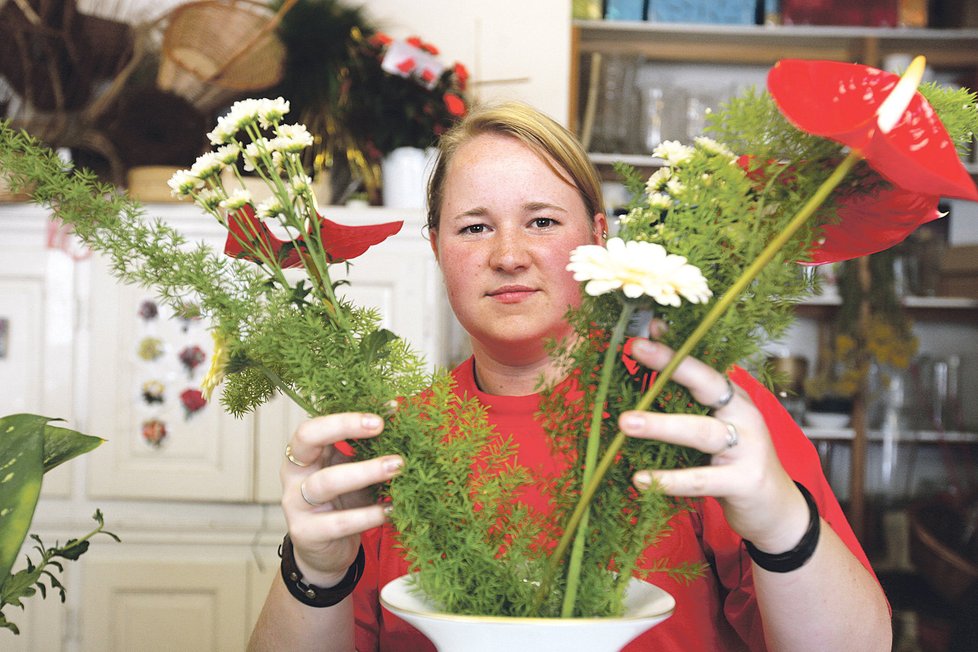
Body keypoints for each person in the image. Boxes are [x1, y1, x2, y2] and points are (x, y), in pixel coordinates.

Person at [248, 102, 892, 651]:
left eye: (543, 221)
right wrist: (315, 568)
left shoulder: (699, 413)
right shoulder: (385, 441)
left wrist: (781, 522)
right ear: (439, 247)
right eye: (474, 227)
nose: (507, 255)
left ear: (599, 236)